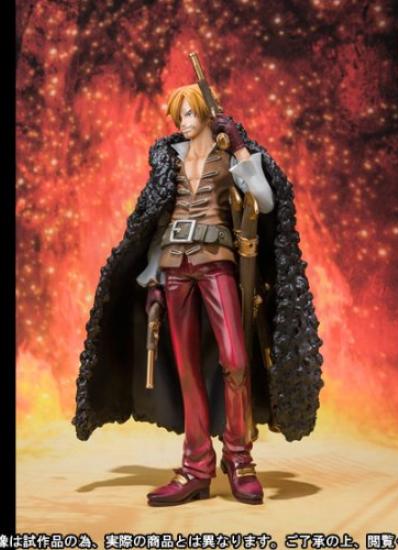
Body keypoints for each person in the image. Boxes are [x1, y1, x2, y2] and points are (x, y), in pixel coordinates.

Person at [72, 83, 325, 507]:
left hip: (217, 262)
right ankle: (196, 467)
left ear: (208, 114)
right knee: (186, 369)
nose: (183, 122)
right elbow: (157, 222)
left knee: (236, 360)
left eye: (190, 114)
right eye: (179, 116)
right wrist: (152, 279)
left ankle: (239, 458)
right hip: (175, 267)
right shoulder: (168, 159)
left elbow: (264, 202)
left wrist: (240, 147)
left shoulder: (230, 155)